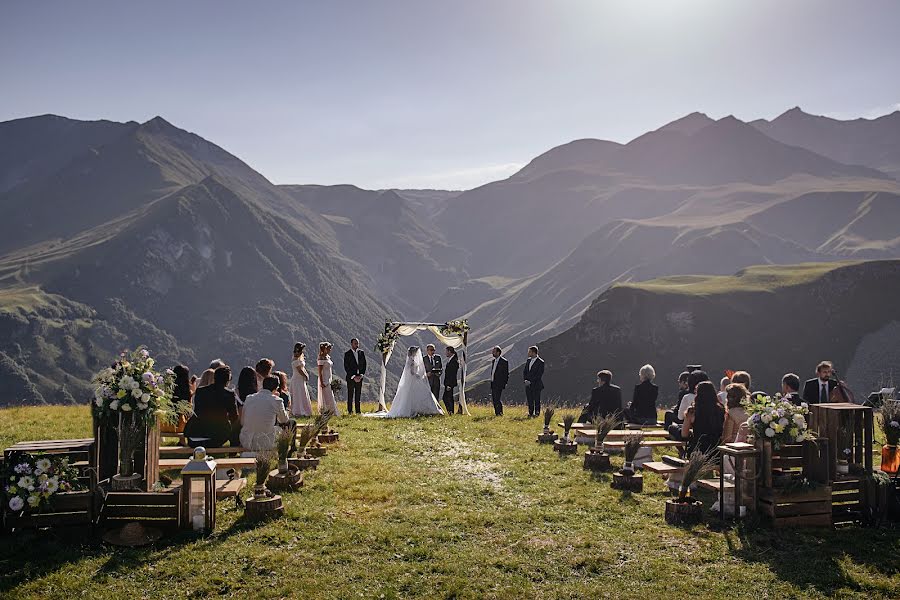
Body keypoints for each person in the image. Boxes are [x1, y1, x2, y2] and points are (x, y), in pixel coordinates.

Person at [184, 366, 240, 448]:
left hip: (195, 434)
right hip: (217, 437)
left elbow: (197, 411)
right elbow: (234, 417)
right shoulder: (229, 394)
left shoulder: (200, 391)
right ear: (228, 380)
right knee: (236, 424)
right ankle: (234, 448)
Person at [383, 347, 444, 418]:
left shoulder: (412, 359)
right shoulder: (411, 360)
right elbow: (411, 372)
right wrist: (418, 375)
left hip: (415, 379)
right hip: (414, 379)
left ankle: (421, 410)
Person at [240, 376, 295, 452]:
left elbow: (242, 422)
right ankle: (287, 454)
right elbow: (284, 420)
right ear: (276, 387)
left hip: (247, 441)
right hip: (266, 442)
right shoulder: (276, 400)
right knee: (291, 423)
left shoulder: (249, 398)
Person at [681, 380, 725, 455]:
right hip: (716, 452)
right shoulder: (721, 410)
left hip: (698, 451)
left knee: (673, 428)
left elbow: (684, 434)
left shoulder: (692, 411)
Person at [668, 370, 709, 440]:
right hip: (711, 437)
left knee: (671, 428)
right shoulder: (715, 402)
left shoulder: (687, 398)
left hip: (695, 435)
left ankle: (681, 450)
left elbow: (680, 417)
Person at [343, 338, 367, 414]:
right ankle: (350, 411)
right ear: (351, 344)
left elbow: (364, 365)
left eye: (357, 343)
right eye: (355, 343)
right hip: (351, 378)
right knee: (350, 394)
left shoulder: (361, 353)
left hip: (359, 377)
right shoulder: (347, 354)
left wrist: (361, 375)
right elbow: (346, 367)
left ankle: (358, 411)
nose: (357, 345)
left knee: (358, 394)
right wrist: (353, 376)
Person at [289, 342, 313, 417]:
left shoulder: (298, 358)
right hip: (297, 379)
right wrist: (306, 376)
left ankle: (303, 409)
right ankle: (298, 411)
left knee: (301, 393)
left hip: (300, 379)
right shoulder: (295, 360)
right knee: (298, 394)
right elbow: (300, 370)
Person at [317, 342, 339, 415]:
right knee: (326, 395)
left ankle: (331, 410)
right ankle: (327, 410)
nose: (330, 350)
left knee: (329, 394)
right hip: (324, 378)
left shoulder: (327, 357)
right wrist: (321, 382)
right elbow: (320, 372)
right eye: (328, 349)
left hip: (328, 377)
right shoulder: (321, 358)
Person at [523, 346, 545, 418]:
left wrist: (531, 381)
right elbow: (525, 371)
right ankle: (530, 413)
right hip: (528, 384)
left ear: (533, 352)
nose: (528, 353)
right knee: (529, 399)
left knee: (536, 400)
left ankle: (537, 414)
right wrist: (525, 380)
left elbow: (539, 374)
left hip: (536, 384)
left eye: (529, 351)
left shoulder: (540, 362)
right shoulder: (528, 360)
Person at [488, 346, 509, 416]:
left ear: (498, 352)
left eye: (494, 351)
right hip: (493, 383)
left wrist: (504, 383)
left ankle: (500, 413)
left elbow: (506, 374)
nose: (492, 353)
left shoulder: (504, 362)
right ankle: (496, 412)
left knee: (497, 398)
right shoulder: (493, 361)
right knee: (494, 398)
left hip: (499, 384)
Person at [442, 346, 460, 415]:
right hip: (448, 383)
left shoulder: (454, 361)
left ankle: (450, 411)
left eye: (446, 351)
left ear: (449, 351)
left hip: (450, 383)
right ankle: (450, 411)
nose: (445, 353)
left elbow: (452, 374)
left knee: (447, 398)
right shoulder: (451, 360)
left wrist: (449, 384)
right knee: (448, 397)